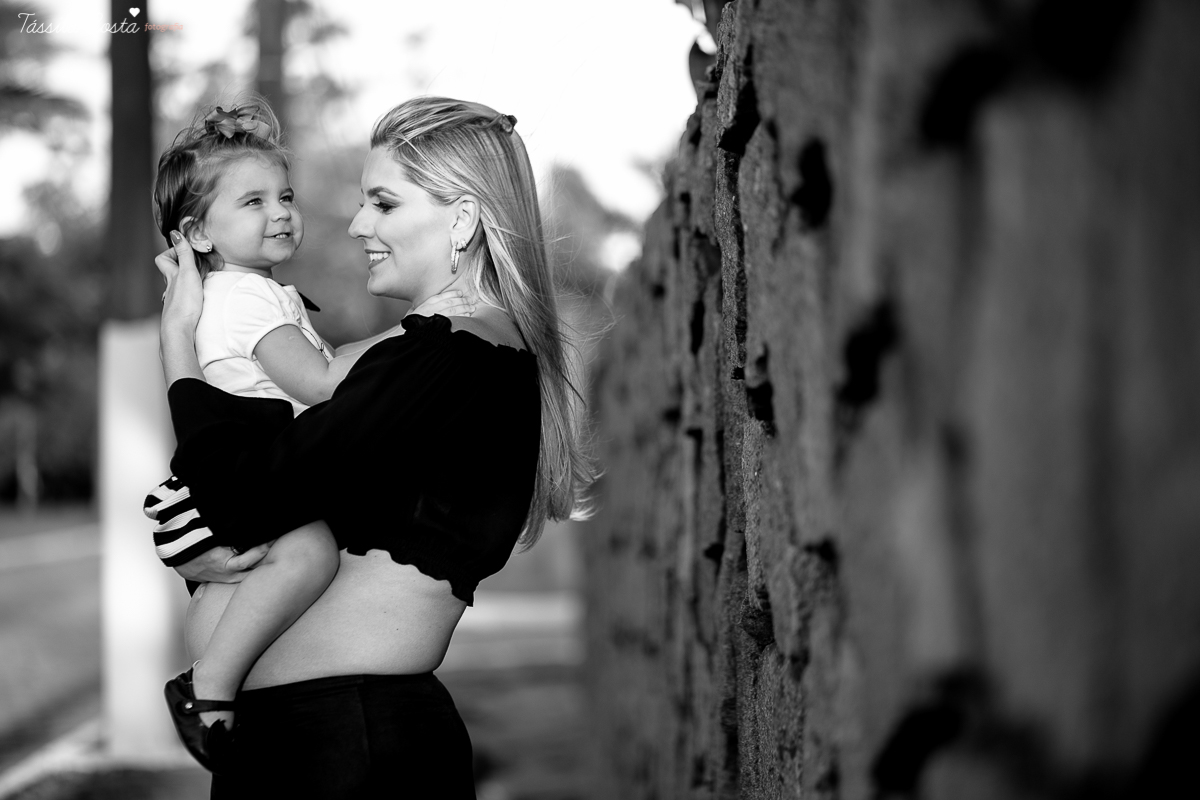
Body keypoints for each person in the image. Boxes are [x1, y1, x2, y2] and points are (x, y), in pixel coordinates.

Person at [151, 96, 597, 798]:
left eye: (384, 204)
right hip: (322, 738)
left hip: (345, 745)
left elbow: (235, 497)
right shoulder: (446, 352)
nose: (358, 224)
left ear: (463, 218)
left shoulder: (448, 358)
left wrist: (177, 340)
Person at [144, 98, 474, 770]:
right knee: (307, 556)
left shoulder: (251, 295)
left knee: (301, 556)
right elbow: (322, 387)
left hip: (337, 706)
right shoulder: (247, 298)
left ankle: (213, 680)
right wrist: (412, 335)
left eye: (284, 196)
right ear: (197, 235)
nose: (281, 213)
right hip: (248, 465)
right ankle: (205, 685)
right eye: (253, 202)